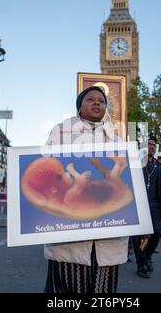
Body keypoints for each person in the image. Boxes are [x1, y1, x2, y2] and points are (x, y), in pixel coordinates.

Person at [43, 85, 146, 293]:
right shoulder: (61, 134)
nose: (97, 102)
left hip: (109, 236)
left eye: (101, 100)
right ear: (79, 108)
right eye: (90, 99)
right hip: (69, 236)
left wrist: (143, 224)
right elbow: (48, 171)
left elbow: (133, 186)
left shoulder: (120, 142)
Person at [133, 138, 161, 279]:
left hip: (154, 205)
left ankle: (147, 256)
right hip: (139, 204)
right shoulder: (136, 164)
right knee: (138, 237)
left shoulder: (159, 166)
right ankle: (141, 265)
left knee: (156, 234)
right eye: (149, 145)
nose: (151, 147)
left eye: (153, 145)